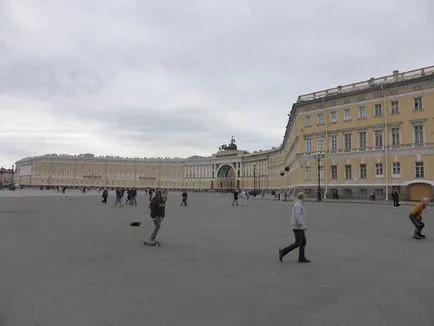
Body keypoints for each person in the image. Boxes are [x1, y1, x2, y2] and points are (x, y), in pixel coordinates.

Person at [278, 192, 310, 263]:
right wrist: (303, 225)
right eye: (304, 197)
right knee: (298, 243)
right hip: (297, 226)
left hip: (298, 226)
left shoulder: (299, 204)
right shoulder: (298, 205)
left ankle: (301, 258)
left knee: (303, 242)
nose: (305, 198)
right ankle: (283, 251)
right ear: (302, 197)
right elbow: (298, 216)